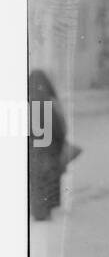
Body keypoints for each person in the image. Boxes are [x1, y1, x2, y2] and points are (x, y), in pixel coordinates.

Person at [28, 69, 69, 221]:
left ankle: (39, 212)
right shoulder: (49, 102)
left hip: (32, 151)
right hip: (49, 149)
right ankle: (46, 209)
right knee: (49, 177)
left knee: (36, 181)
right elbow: (60, 129)